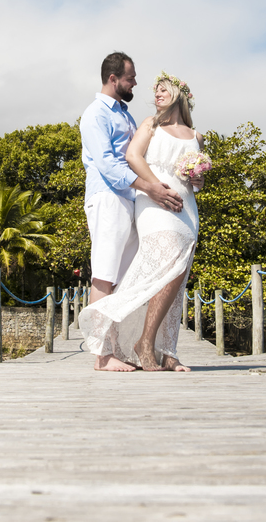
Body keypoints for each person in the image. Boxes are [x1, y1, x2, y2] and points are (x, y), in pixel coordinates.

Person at [79, 70, 203, 372]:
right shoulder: (149, 124)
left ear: (179, 94)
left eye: (163, 90)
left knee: (179, 275)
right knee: (162, 271)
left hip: (186, 204)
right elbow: (133, 157)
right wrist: (155, 187)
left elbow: (197, 183)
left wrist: (197, 177)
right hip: (154, 201)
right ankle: (136, 342)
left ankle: (167, 350)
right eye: (155, 90)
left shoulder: (196, 134)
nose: (156, 94)